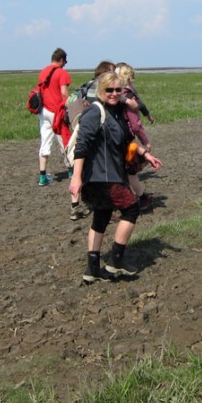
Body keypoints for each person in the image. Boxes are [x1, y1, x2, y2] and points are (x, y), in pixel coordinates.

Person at [68, 72, 162, 284]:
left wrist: (146, 155)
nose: (113, 93)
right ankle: (116, 261)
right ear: (100, 90)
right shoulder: (94, 112)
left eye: (117, 90)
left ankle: (92, 270)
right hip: (100, 177)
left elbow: (128, 140)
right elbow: (81, 147)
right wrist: (76, 178)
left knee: (101, 217)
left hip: (110, 175)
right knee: (131, 208)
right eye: (109, 90)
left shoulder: (117, 111)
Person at [115, 63, 155, 211]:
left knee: (124, 170)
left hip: (115, 138)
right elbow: (136, 124)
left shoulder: (116, 93)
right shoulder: (128, 96)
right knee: (131, 169)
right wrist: (145, 142)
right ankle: (140, 198)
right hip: (128, 140)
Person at [37, 48, 72, 186]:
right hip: (57, 112)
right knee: (64, 140)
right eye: (65, 61)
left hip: (44, 111)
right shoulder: (62, 73)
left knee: (45, 142)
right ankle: (70, 171)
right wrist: (71, 102)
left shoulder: (43, 72)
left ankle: (42, 176)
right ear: (62, 60)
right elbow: (64, 93)